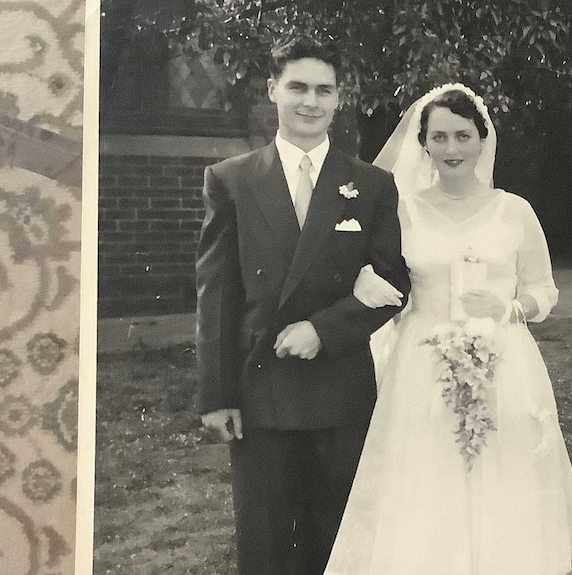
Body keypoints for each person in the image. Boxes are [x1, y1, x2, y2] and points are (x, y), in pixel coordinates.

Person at [326, 84, 572, 574]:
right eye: (440, 137)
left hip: (505, 361)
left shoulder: (514, 210)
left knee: (503, 473)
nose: (451, 149)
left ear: (481, 139)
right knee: (428, 479)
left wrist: (511, 307)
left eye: (462, 135)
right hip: (421, 363)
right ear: (424, 144)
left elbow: (545, 291)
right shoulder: (400, 212)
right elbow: (380, 277)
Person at [195, 38, 410, 575]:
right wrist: (217, 395)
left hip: (340, 388)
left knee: (335, 540)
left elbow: (392, 280)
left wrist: (324, 328)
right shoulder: (232, 180)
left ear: (338, 99)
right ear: (273, 90)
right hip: (260, 390)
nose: (310, 102)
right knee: (265, 542)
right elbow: (216, 296)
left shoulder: (372, 185)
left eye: (324, 90)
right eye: (298, 87)